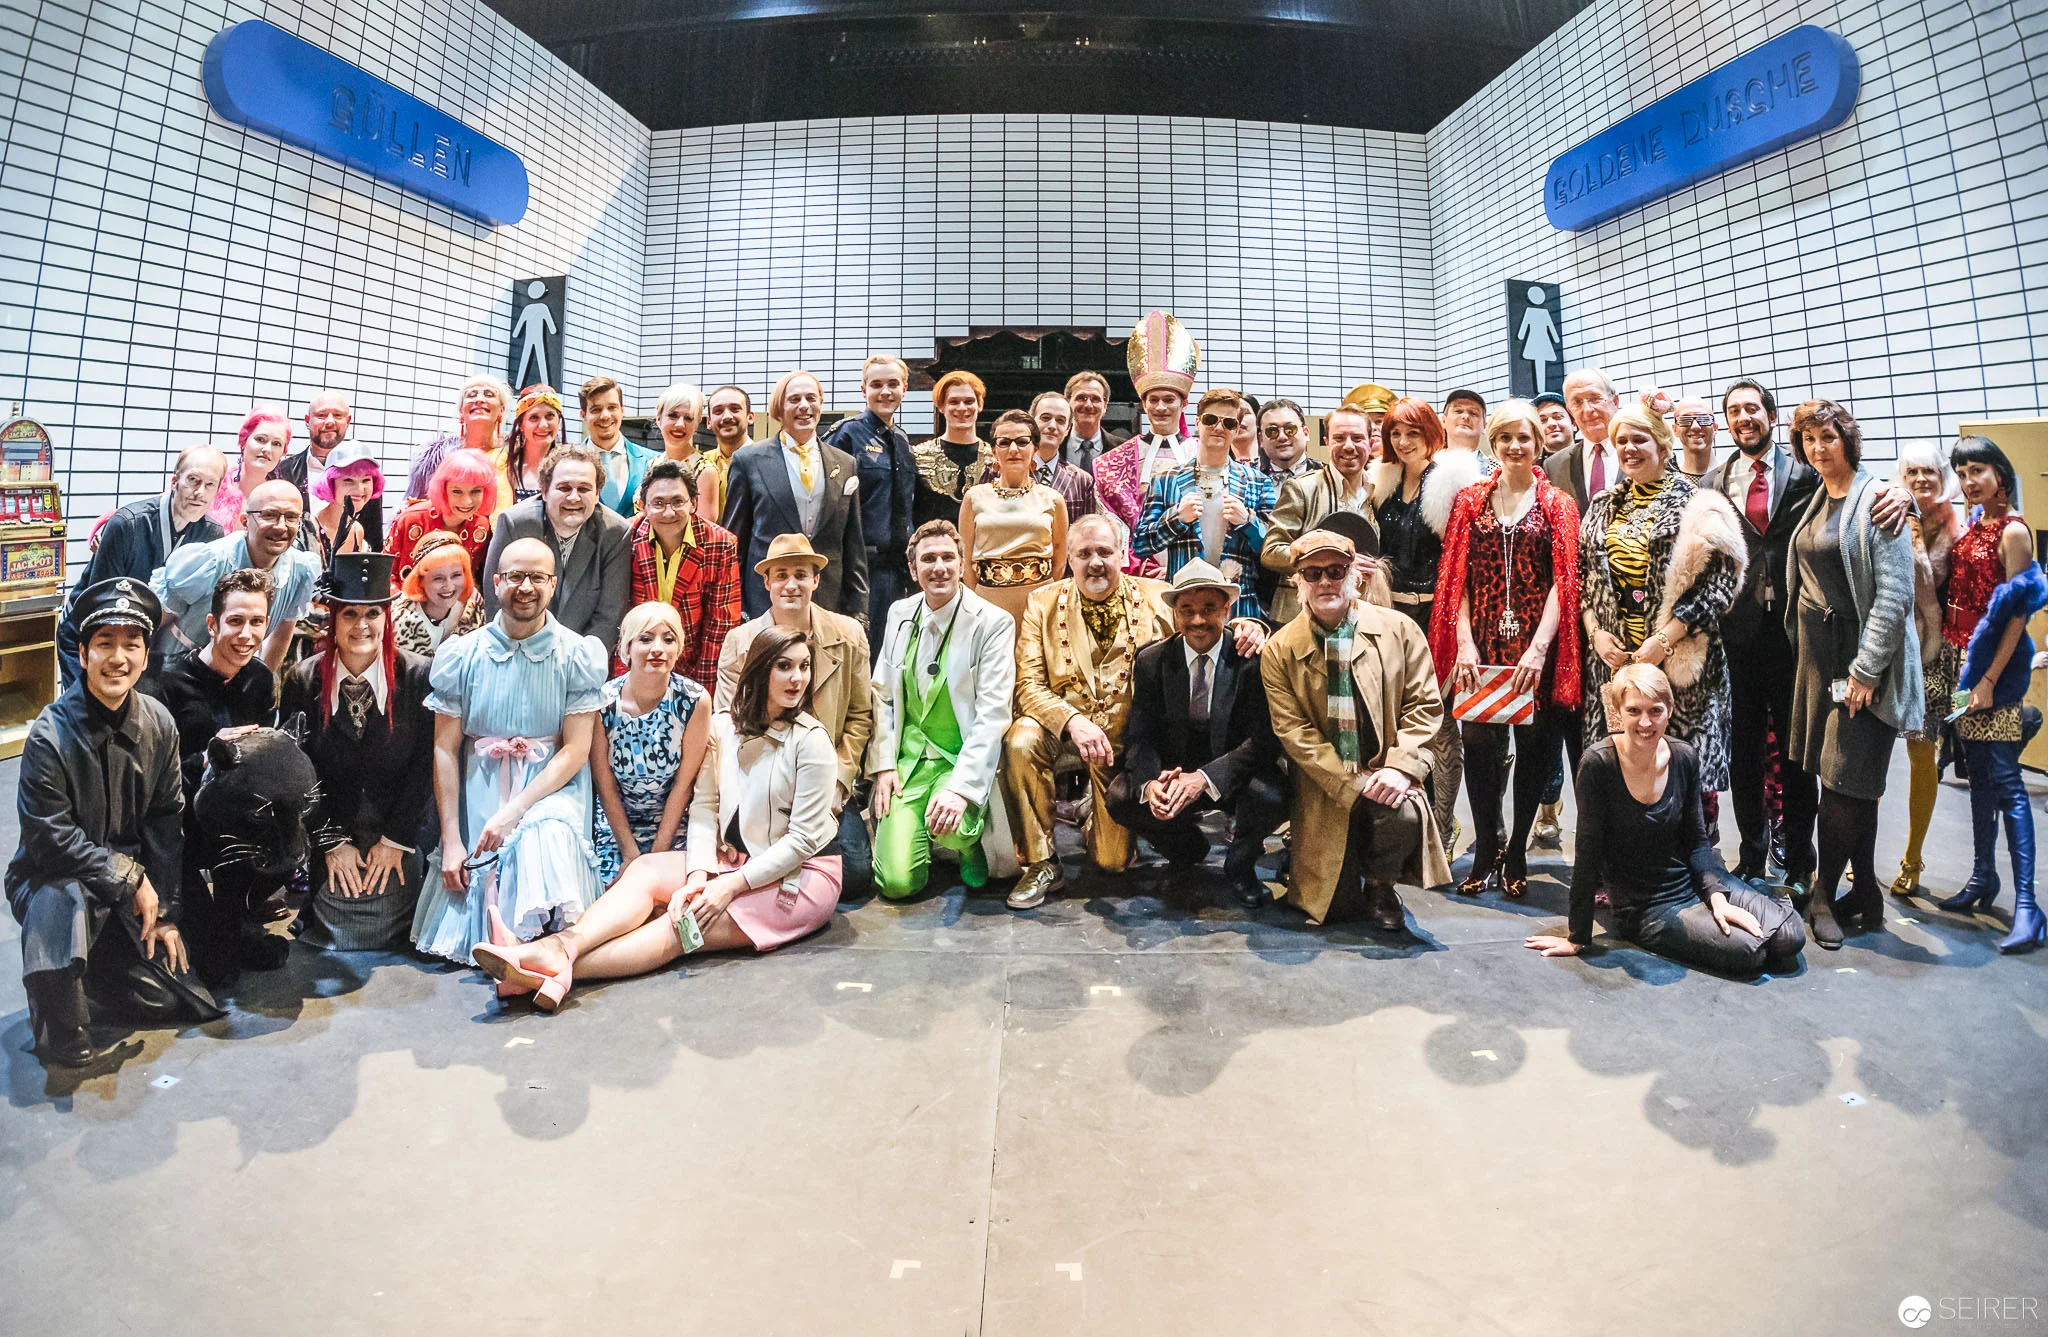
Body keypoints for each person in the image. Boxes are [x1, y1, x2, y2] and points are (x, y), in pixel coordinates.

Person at [469, 625, 840, 1010]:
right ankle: (559, 948)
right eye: (784, 666)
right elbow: (704, 807)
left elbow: (802, 842)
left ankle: (535, 968)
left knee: (684, 923)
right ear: (760, 670)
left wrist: (726, 888)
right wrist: (699, 875)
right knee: (645, 869)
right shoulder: (725, 727)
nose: (797, 678)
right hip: (737, 860)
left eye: (804, 667)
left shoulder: (812, 741)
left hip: (802, 877)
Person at [1698, 378, 1910, 886]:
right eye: (1733, 411)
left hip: (1797, 637)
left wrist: (1905, 495)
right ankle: (1749, 856)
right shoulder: (1712, 482)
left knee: (1797, 757)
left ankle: (1799, 862)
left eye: (1753, 408)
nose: (1743, 417)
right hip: (1739, 635)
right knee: (1744, 753)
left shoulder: (1806, 471)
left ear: (1771, 416)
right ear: (1726, 422)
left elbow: (1858, 492)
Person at [8, 578, 220, 1068]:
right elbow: (50, 838)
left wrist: (164, 911)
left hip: (129, 886)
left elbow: (168, 823)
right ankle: (58, 1016)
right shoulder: (48, 734)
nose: (118, 658)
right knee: (61, 899)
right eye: (104, 643)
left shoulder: (159, 723)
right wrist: (130, 880)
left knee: (172, 1002)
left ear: (146, 657)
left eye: (132, 645)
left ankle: (95, 971)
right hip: (53, 877)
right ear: (82, 654)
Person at [1525, 665, 1805, 976]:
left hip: (1699, 878)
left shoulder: (1683, 756)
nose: (1645, 722)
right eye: (1634, 710)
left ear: (1668, 711)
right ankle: (1727, 916)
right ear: (1618, 712)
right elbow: (1588, 852)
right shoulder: (1598, 764)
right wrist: (1578, 935)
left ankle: (1725, 906)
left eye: (1655, 710)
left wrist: (1717, 899)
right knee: (1749, 952)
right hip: (1650, 905)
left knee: (1791, 937)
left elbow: (1698, 841)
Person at [412, 537, 604, 969]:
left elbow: (575, 749)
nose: (526, 586)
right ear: (496, 582)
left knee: (543, 831)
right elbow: (445, 748)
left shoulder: (577, 654)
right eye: (515, 575)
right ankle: (520, 956)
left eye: (538, 577)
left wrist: (514, 809)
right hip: (479, 790)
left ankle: (530, 951)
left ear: (553, 585)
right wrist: (451, 839)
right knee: (484, 849)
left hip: (550, 787)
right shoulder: (462, 654)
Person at [1779, 400, 1921, 948]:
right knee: (1851, 788)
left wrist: (1865, 671)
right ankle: (1867, 895)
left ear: (1848, 440)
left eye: (1828, 438)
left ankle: (1823, 894)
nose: (1818, 448)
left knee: (1842, 785)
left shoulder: (1877, 501)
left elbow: (1894, 597)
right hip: (1819, 668)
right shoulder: (1820, 496)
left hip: (1863, 670)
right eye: (1809, 439)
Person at [1262, 528, 1451, 930]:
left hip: (1386, 771)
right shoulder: (1279, 649)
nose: (1325, 581)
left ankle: (1382, 884)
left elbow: (1424, 705)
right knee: (1333, 909)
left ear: (1353, 575)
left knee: (1403, 816)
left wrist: (1400, 769)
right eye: (1313, 574)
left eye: (1335, 570)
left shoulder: (1399, 630)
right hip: (1326, 782)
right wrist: (1351, 783)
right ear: (1299, 582)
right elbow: (1293, 732)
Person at [1429, 400, 1582, 898]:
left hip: (1537, 642)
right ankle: (1487, 842)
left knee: (1537, 748)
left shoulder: (1558, 503)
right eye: (1505, 438)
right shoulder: (1471, 500)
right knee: (1478, 747)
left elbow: (1566, 582)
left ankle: (1517, 847)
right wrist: (1465, 642)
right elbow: (1459, 577)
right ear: (1493, 445)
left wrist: (1540, 649)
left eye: (1524, 438)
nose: (1515, 447)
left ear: (1539, 443)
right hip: (1484, 641)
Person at [1578, 403, 1745, 831]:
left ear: (1662, 442)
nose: (1629, 449)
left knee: (1686, 776)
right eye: (1621, 441)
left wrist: (1665, 640)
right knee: (1621, 770)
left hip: (1681, 663)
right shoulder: (1602, 504)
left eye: (1639, 439)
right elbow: (1582, 576)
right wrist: (1596, 633)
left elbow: (1722, 583)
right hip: (1617, 665)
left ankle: (1695, 872)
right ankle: (1625, 872)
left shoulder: (1699, 501)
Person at [1001, 513, 1177, 909]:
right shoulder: (1042, 604)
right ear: (1071, 561)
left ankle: (1092, 811)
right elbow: (1027, 686)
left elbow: (1207, 625)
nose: (1095, 562)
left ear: (1122, 554)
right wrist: (1073, 722)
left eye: (1104, 551)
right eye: (1084, 554)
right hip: (1064, 735)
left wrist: (1252, 625)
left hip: (1122, 745)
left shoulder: (1158, 597)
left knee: (1113, 864)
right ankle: (1042, 863)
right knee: (1020, 739)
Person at [1108, 560, 1287, 908]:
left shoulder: (1252, 659)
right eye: (1187, 610)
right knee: (1122, 797)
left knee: (1270, 796)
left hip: (1234, 769)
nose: (1198, 620)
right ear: (1175, 613)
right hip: (1177, 767)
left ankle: (1241, 867)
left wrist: (1205, 778)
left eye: (1209, 609)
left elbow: (1265, 740)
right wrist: (1151, 784)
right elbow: (1140, 735)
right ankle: (1188, 849)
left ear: (1227, 609)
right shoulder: (1152, 660)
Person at [280, 553, 436, 951]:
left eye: (372, 614)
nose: (361, 626)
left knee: (389, 929)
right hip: (334, 831)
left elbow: (425, 767)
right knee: (338, 934)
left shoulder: (419, 676)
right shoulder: (303, 679)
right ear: (333, 621)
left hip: (399, 830)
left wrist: (396, 841)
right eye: (349, 614)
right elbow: (299, 772)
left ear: (388, 619)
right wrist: (331, 842)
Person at [716, 533, 875, 901]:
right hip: (762, 780)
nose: (792, 584)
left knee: (854, 877)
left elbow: (859, 717)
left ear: (816, 580)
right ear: (766, 582)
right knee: (744, 854)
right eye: (781, 574)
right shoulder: (740, 641)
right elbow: (728, 722)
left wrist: (837, 781)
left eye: (801, 574)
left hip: (825, 779)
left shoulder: (848, 634)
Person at [1934, 435, 2045, 954]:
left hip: (1995, 674)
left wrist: (1987, 682)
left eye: (1977, 470)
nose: (1968, 481)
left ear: (2001, 473)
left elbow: (2019, 614)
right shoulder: (1977, 522)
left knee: (2005, 779)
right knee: (1976, 771)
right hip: (1963, 666)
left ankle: (2028, 904)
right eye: (1962, 472)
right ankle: (1983, 877)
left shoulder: (2015, 530)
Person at [868, 520, 1018, 899]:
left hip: (959, 759)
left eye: (948, 557)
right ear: (913, 569)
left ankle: (966, 844)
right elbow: (883, 695)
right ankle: (928, 837)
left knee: (953, 825)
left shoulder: (994, 622)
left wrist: (961, 790)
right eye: (929, 559)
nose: (940, 567)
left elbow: (993, 715)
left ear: (962, 563)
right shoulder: (899, 613)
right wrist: (884, 764)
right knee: (897, 884)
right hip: (910, 764)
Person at [148, 569, 280, 984]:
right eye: (236, 621)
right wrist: (204, 759)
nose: (246, 634)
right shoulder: (166, 685)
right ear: (212, 624)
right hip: (178, 827)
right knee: (219, 970)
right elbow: (153, 781)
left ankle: (237, 915)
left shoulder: (260, 679)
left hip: (236, 824)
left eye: (257, 622)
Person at [1368, 396, 1482, 845]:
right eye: (1395, 433)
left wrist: (1464, 629)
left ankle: (1443, 824)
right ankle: (1410, 818)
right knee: (1399, 719)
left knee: (1442, 724)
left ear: (1432, 434)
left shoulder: (1452, 480)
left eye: (1413, 432)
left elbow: (1466, 562)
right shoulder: (1384, 481)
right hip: (1393, 612)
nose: (1403, 441)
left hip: (1439, 611)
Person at [57, 446, 226, 687]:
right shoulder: (128, 523)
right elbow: (99, 601)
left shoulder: (212, 533)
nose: (199, 492)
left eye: (210, 484)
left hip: (145, 640)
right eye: (193, 480)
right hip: (89, 630)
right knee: (88, 711)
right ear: (175, 481)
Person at [721, 369, 869, 625]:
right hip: (764, 601)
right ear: (779, 408)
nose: (804, 406)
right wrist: (738, 607)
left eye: (811, 399)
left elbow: (853, 543)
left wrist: (859, 610)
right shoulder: (748, 461)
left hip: (827, 601)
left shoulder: (845, 464)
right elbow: (735, 544)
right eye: (794, 400)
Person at [590, 602, 712, 886]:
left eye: (668, 639)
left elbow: (683, 787)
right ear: (627, 648)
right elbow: (605, 788)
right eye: (646, 639)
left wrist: (654, 856)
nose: (658, 648)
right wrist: (631, 854)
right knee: (607, 897)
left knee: (665, 902)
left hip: (673, 826)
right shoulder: (602, 702)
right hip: (616, 827)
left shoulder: (695, 701)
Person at [1889, 442, 1963, 898]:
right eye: (1911, 471)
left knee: (1923, 756)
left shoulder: (1960, 528)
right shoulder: (1894, 517)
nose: (1920, 479)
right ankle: (1861, 849)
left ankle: (1913, 857)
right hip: (1892, 649)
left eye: (1928, 472)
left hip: (1935, 657)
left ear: (1942, 477)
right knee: (1873, 754)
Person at [1134, 388, 1277, 621]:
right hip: (1185, 606)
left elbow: (1273, 550)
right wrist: (1176, 518)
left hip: (1239, 610)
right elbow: (1141, 544)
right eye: (1211, 420)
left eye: (1229, 423)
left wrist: (1248, 521)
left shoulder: (1258, 482)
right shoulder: (1166, 480)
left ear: (1236, 429)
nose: (1219, 428)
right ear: (1198, 423)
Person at [152, 479, 320, 674]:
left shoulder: (301, 570)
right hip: (175, 669)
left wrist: (264, 683)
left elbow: (283, 632)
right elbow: (158, 619)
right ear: (245, 521)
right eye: (270, 515)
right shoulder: (210, 561)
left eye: (291, 517)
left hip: (236, 676)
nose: (281, 526)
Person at [479, 443, 632, 653]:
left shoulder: (615, 533)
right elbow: (497, 600)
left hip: (580, 659)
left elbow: (609, 615)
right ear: (544, 490)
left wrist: (578, 665)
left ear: (597, 494)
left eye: (584, 489)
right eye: (564, 487)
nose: (574, 497)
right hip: (516, 651)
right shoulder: (515, 524)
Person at [623, 457, 742, 686]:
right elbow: (620, 616)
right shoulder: (625, 537)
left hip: (692, 666)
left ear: (693, 503)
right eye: (658, 503)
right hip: (636, 665)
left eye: (677, 501)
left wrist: (700, 693)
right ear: (643, 505)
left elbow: (720, 628)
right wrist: (626, 681)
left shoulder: (720, 544)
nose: (668, 513)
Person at [824, 355, 918, 639]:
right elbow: (829, 506)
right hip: (860, 569)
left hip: (897, 569)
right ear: (863, 390)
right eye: (876, 384)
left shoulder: (902, 440)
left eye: (893, 384)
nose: (885, 392)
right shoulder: (845, 436)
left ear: (905, 388)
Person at [1096, 310, 1200, 564]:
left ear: (1183, 403)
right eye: (1153, 400)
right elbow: (1114, 523)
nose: (1161, 407)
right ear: (1143, 404)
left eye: (1169, 400)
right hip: (1138, 568)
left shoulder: (1201, 451)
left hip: (1195, 559)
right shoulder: (1115, 461)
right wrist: (1139, 564)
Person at [1261, 403, 1376, 624]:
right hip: (1301, 617)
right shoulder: (1303, 488)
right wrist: (1324, 559)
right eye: (1339, 438)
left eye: (1357, 438)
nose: (1348, 446)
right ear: (1326, 442)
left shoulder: (1379, 491)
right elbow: (1271, 551)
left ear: (1370, 443)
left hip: (1361, 616)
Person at [961, 409, 1069, 624]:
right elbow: (965, 560)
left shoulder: (1053, 499)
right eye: (1004, 442)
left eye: (1022, 442)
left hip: (1039, 602)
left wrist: (1046, 597)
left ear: (1035, 448)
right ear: (993, 451)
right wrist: (975, 600)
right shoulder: (974, 497)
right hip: (987, 602)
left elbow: (1060, 558)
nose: (1013, 449)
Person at [386, 446, 498, 580]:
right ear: (443, 489)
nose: (467, 501)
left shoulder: (482, 526)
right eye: (457, 491)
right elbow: (383, 576)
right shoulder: (410, 519)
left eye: (475, 491)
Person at [405, 374, 512, 501]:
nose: (479, 400)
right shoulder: (433, 458)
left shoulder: (515, 455)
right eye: (471, 395)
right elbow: (413, 503)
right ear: (461, 411)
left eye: (489, 394)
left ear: (501, 410)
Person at [911, 370, 993, 530]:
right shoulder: (918, 456)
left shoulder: (995, 458)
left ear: (980, 405)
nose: (962, 408)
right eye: (954, 402)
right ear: (941, 406)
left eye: (969, 401)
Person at [1541, 367, 1622, 515]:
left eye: (1595, 398)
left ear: (1615, 401)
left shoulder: (1641, 453)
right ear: (1570, 411)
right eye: (1577, 402)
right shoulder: (1554, 466)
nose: (1587, 409)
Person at [392, 531, 487, 657]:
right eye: (438, 578)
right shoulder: (399, 619)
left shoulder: (473, 607)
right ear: (420, 581)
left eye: (456, 575)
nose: (449, 586)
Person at [1016, 390, 1100, 521]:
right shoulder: (1006, 471)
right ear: (1031, 423)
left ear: (1068, 429)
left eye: (1060, 420)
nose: (1052, 426)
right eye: (1045, 418)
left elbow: (1085, 534)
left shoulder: (1082, 480)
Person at [581, 374, 657, 516]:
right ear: (583, 415)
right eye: (596, 409)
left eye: (612, 407)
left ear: (622, 411)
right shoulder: (568, 465)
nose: (605, 416)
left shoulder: (654, 461)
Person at [207, 406, 292, 531]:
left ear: (283, 452)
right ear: (243, 441)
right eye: (260, 439)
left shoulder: (283, 499)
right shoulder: (213, 484)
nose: (267, 449)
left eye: (276, 444)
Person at [309, 442, 383, 565]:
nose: (359, 489)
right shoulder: (309, 528)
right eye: (348, 480)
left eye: (365, 480)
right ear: (330, 483)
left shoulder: (356, 530)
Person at [688, 384, 752, 524]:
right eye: (718, 411)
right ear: (709, 422)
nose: (727, 416)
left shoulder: (768, 462)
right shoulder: (698, 465)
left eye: (735, 409)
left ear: (750, 417)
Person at [277, 391, 352, 503]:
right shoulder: (283, 471)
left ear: (348, 421)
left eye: (337, 415)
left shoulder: (364, 473)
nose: (330, 422)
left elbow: (372, 520)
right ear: (308, 421)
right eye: (321, 415)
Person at [498, 384, 563, 507]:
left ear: (558, 420)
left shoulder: (570, 466)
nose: (543, 425)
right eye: (534, 417)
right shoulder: (502, 468)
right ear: (521, 425)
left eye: (550, 416)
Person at [1061, 370, 1124, 475]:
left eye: (1095, 399)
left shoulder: (1123, 450)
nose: (1088, 405)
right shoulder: (1053, 447)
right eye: (1081, 398)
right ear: (1067, 403)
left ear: (1105, 406)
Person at [1255, 398, 1322, 486]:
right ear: (1261, 440)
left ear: (1306, 433)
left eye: (1290, 429)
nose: (1282, 437)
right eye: (1272, 431)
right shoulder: (1251, 482)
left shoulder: (1329, 477)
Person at [1440, 389, 1493, 471]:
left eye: (1473, 413)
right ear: (1444, 420)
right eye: (1458, 411)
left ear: (1484, 426)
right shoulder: (1425, 468)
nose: (1465, 416)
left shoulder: (1498, 471)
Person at [1672, 396, 1718, 481]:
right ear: (1675, 429)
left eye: (1704, 419)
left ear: (1715, 428)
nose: (1695, 426)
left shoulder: (1731, 476)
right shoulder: (1669, 483)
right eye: (1685, 420)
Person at [1532, 391, 1575, 461]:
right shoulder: (1530, 470)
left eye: (1558, 417)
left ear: (1574, 423)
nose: (1551, 424)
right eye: (1542, 420)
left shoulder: (1592, 459)